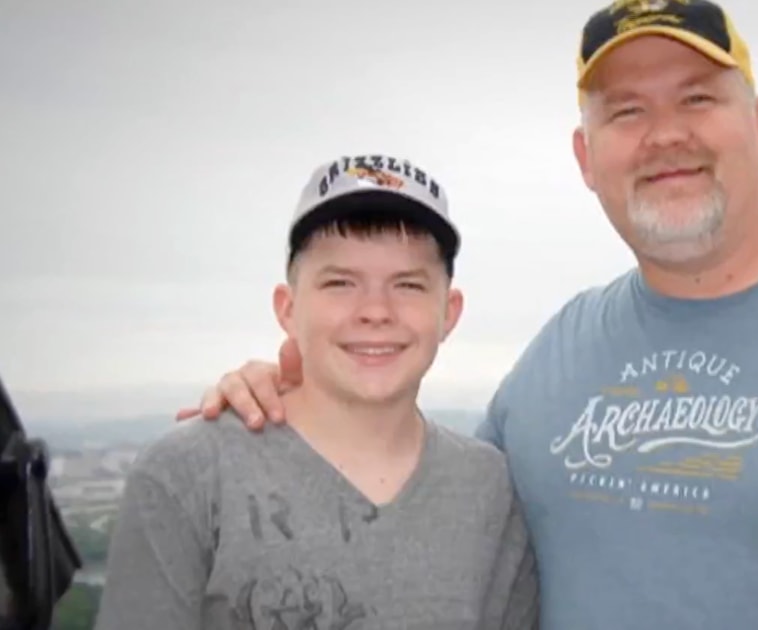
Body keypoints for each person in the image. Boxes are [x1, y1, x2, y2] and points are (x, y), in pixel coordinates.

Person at [180, 1, 758, 628]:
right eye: (627, 111)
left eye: (698, 97)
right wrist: (302, 398)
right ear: (586, 155)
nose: (664, 135)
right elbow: (418, 500)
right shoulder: (560, 354)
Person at [98, 155, 539, 630]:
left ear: (448, 313)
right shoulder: (189, 475)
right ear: (287, 309)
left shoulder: (488, 488)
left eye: (408, 285)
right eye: (340, 283)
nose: (375, 311)